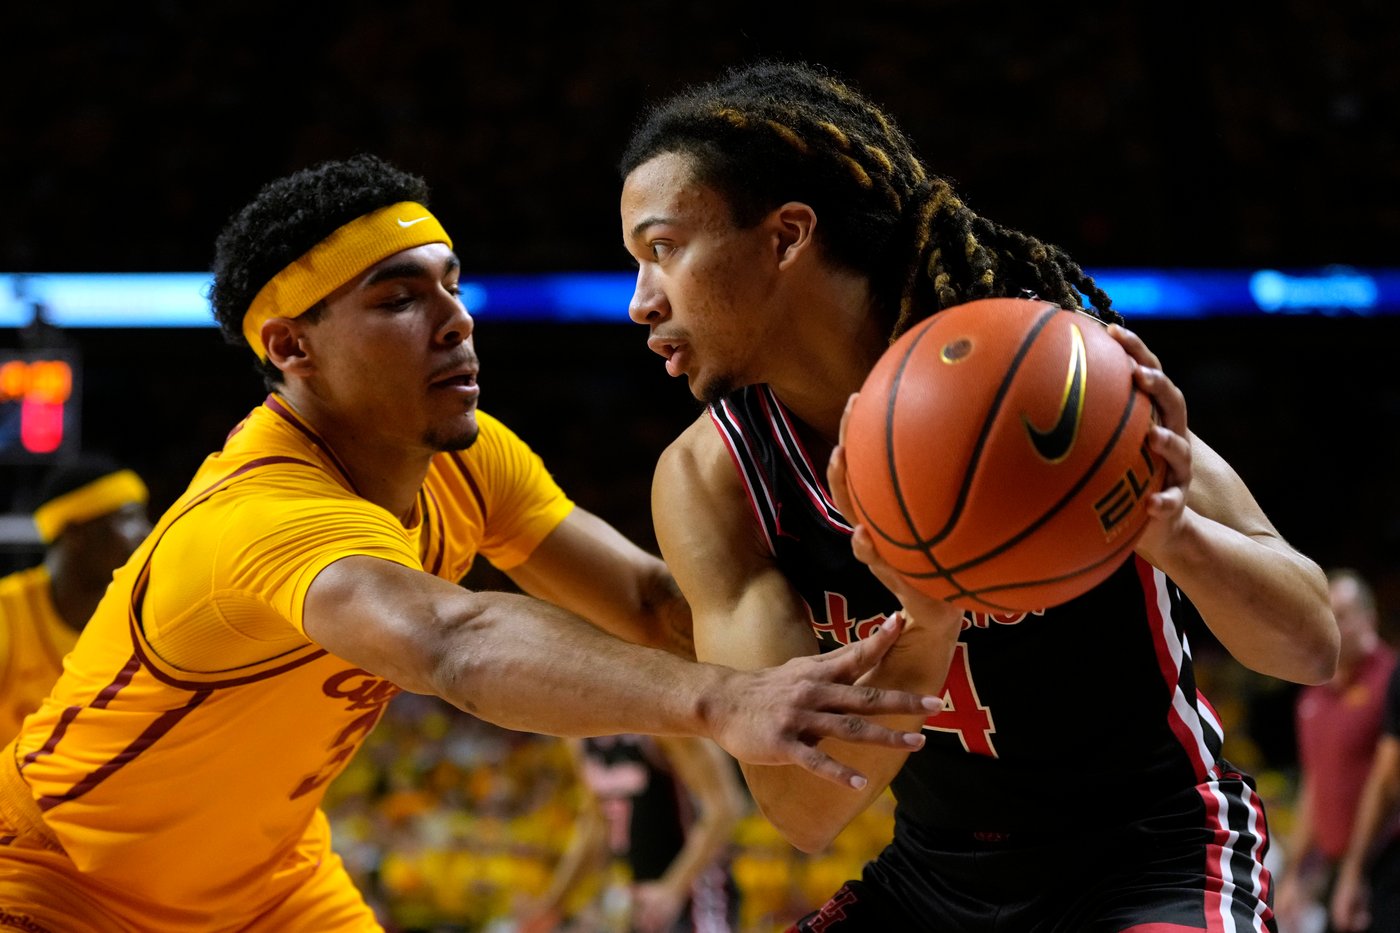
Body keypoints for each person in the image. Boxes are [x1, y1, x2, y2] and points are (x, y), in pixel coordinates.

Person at [0, 154, 943, 932]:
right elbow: (453, 641)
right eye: (398, 299)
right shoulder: (261, 512)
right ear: (290, 348)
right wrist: (725, 698)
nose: (455, 319)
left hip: (267, 882)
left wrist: (895, 623)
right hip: (58, 878)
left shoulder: (465, 456)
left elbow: (652, 603)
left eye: (451, 284)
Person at [618, 60, 1338, 931]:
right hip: (937, 876)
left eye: (662, 250)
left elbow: (1312, 645)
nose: (640, 302)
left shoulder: (1041, 365)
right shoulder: (711, 480)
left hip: (1154, 852)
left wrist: (1171, 528)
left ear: (786, 236)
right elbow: (801, 808)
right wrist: (928, 626)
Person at [524, 734, 746, 932]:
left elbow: (726, 809)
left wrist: (672, 889)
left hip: (696, 893)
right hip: (643, 898)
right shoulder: (579, 738)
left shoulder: (663, 721)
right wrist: (553, 904)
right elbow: (596, 828)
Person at [1277, 569, 1397, 932]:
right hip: (1338, 865)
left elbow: (1386, 780)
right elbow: (1314, 786)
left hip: (1388, 859)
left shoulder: (1390, 679)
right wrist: (1296, 873)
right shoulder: (1312, 696)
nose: (1333, 625)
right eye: (1326, 614)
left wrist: (1354, 870)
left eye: (1342, 615)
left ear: (1369, 619)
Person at [0, 455, 151, 741]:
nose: (146, 532)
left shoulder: (146, 616)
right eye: (128, 518)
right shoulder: (7, 613)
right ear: (74, 534)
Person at [1330, 660, 1400, 933]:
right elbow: (1385, 779)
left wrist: (1353, 871)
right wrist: (1353, 871)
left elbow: (1386, 778)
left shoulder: (1383, 673)